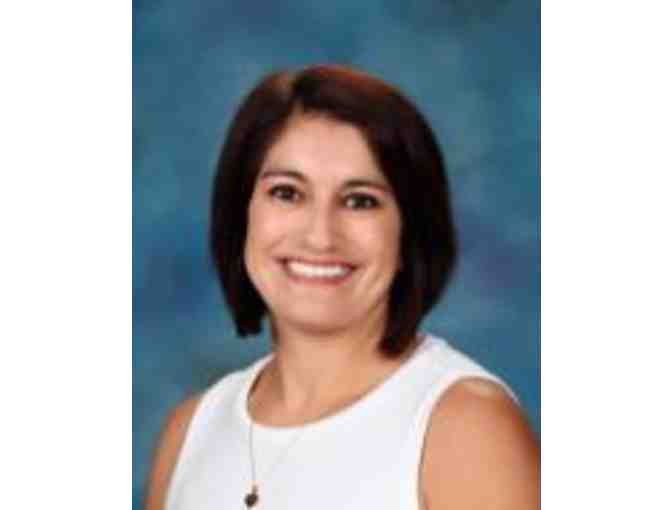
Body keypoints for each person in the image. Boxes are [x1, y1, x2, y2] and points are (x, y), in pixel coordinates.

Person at [145, 65, 540, 510]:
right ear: (242, 214)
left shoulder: (467, 429)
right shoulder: (190, 433)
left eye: (360, 201)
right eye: (287, 193)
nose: (320, 236)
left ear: (410, 232)